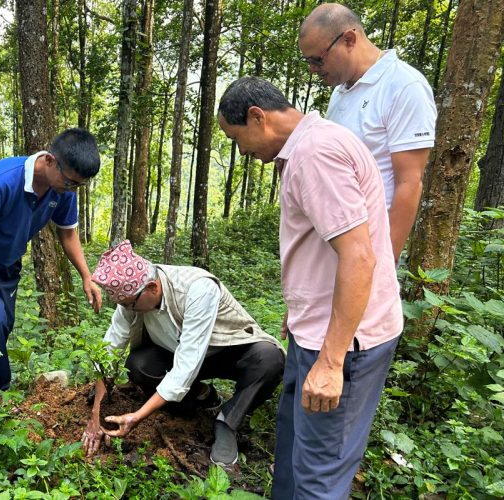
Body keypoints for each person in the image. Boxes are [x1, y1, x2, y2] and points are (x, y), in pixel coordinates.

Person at [218, 76, 403, 498]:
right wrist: (301, 304)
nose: (241, 151)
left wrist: (333, 361)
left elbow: (359, 256)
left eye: (236, 137)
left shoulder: (315, 154)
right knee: (295, 452)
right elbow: (329, 248)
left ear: (257, 117)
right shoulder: (310, 146)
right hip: (314, 330)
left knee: (320, 472)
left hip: (343, 344)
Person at [80, 240, 284, 466]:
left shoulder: (198, 288)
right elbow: (109, 350)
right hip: (175, 352)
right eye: (123, 305)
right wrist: (97, 413)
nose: (127, 309)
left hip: (227, 350)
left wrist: (137, 417)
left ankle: (227, 421)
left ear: (152, 288)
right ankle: (203, 396)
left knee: (269, 359)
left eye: (130, 304)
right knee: (139, 364)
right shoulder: (131, 294)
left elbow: (187, 364)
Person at [0, 128, 103, 399]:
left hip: (6, 263)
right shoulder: (1, 181)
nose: (73, 190)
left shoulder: (62, 190)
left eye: (79, 186)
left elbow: (68, 232)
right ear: (50, 160)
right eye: (71, 182)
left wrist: (86, 275)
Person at [298, 3, 437, 261]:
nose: (313, 69)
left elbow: (409, 183)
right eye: (308, 61)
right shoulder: (340, 93)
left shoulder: (405, 86)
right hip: (337, 242)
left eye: (317, 59)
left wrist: (384, 261)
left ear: (349, 39)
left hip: (369, 246)